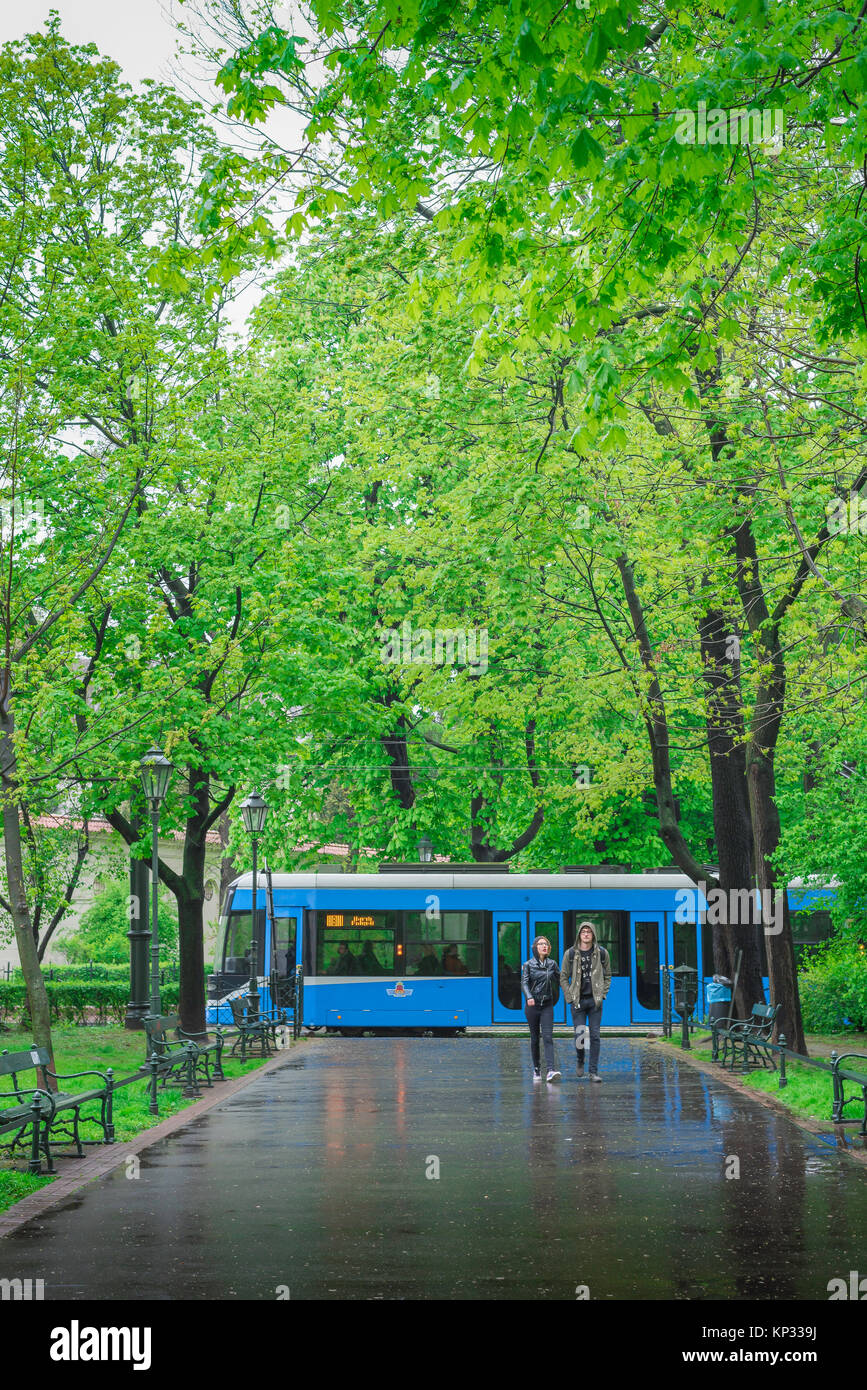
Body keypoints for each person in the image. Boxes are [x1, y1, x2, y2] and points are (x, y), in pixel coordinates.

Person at [560, 921, 611, 1082]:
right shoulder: (570, 953)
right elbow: (563, 977)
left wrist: (602, 995)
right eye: (583, 932)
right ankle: (580, 1059)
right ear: (579, 935)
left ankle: (593, 1072)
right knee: (580, 1035)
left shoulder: (602, 953)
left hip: (595, 1002)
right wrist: (570, 997)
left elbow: (608, 975)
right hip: (578, 1002)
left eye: (589, 931)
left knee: (595, 1036)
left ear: (593, 934)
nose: (586, 934)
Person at [521, 935, 561, 1082]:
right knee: (535, 1038)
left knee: (548, 1036)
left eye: (546, 944)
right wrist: (529, 996)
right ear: (535, 948)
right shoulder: (528, 965)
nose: (544, 946)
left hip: (547, 1005)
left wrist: (572, 994)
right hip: (532, 1006)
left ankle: (550, 1070)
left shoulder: (552, 964)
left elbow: (561, 980)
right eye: (541, 944)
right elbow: (524, 983)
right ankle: (537, 1069)